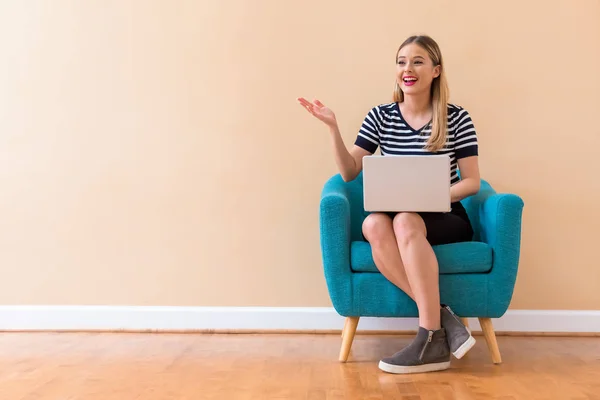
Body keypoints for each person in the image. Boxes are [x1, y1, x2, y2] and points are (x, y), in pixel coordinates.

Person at [297, 35, 480, 374]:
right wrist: (333, 128)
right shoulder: (381, 116)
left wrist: (434, 195)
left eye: (417, 61)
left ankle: (428, 337)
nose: (407, 69)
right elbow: (350, 172)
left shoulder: (457, 118)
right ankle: (442, 325)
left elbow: (472, 182)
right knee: (372, 224)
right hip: (399, 214)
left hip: (444, 214)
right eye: (401, 61)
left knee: (406, 220)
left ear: (436, 70)